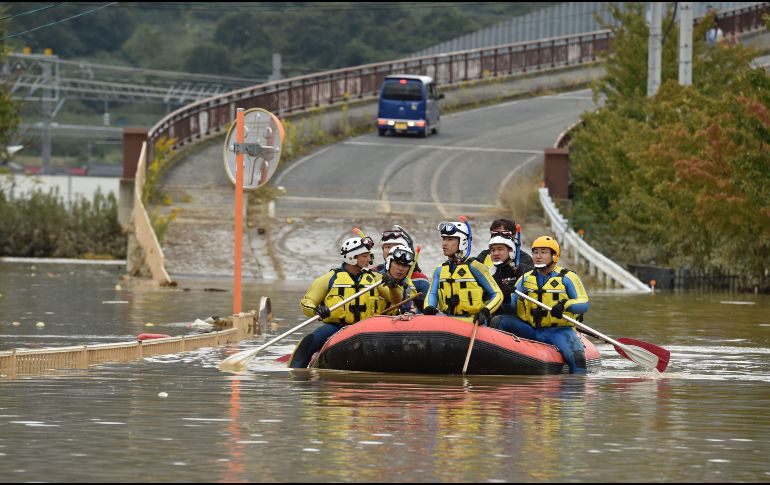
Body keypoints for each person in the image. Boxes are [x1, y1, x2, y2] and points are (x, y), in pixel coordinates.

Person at [289, 235, 402, 368]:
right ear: (352, 257)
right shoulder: (329, 279)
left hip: (368, 326)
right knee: (309, 341)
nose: (369, 259)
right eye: (365, 256)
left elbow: (396, 299)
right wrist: (316, 310)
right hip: (336, 326)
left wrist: (393, 286)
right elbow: (306, 303)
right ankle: (295, 372)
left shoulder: (376, 279)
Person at [490, 236, 590, 374]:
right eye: (535, 252)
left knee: (577, 358)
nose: (538, 256)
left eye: (543, 252)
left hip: (558, 331)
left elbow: (583, 303)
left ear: (554, 256)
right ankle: (496, 363)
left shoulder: (568, 277)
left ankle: (575, 389)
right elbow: (513, 307)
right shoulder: (525, 278)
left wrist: (565, 305)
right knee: (498, 321)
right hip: (530, 328)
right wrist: (506, 299)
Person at [423, 219, 502, 326]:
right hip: (447, 320)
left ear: (462, 241)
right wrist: (429, 307)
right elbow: (432, 293)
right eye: (444, 239)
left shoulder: (475, 267)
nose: (444, 244)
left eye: (450, 239)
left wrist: (485, 311)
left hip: (471, 321)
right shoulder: (439, 270)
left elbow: (497, 294)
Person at [377, 225, 430, 311]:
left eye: (396, 246)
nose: (392, 250)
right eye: (387, 247)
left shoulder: (420, 280)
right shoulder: (374, 275)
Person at [486, 232, 522, 316]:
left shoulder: (524, 271)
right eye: (493, 250)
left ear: (510, 250)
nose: (495, 253)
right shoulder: (488, 273)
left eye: (500, 249)